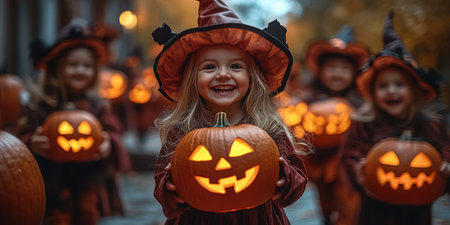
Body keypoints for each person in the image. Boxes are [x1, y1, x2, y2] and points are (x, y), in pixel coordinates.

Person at [152, 0, 309, 224]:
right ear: (191, 79)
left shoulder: (268, 127)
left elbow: (297, 177)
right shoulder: (182, 130)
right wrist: (170, 187)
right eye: (209, 67)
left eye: (235, 66)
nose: (223, 74)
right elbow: (161, 181)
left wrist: (285, 179)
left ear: (252, 77)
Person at [18, 18, 132, 225]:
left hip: (89, 179)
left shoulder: (98, 105)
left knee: (87, 214)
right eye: (73, 65)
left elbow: (115, 134)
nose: (80, 70)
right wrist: (32, 144)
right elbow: (19, 139)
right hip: (51, 178)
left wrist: (109, 144)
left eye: (87, 66)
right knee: (56, 218)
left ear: (95, 71)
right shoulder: (42, 104)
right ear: (57, 68)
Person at [342, 11, 450, 225]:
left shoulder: (430, 125)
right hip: (374, 207)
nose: (391, 91)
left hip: (418, 207)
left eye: (399, 85)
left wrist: (447, 163)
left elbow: (446, 147)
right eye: (383, 86)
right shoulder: (365, 124)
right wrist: (358, 168)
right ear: (373, 93)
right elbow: (349, 154)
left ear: (414, 91)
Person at [299, 24, 370, 225]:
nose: (337, 73)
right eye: (331, 67)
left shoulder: (359, 101)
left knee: (348, 201)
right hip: (319, 160)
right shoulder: (311, 98)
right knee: (325, 200)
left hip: (348, 161)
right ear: (320, 71)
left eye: (344, 68)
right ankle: (327, 219)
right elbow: (305, 127)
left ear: (354, 73)